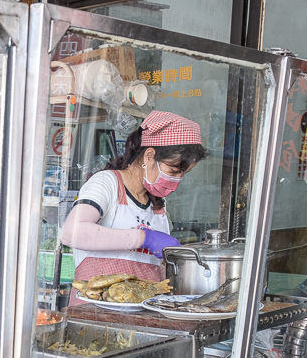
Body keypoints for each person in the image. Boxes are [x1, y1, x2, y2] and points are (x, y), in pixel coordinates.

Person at [60, 111, 207, 302]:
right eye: (173, 171)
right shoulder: (107, 183)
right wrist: (143, 238)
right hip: (96, 316)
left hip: (141, 317)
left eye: (183, 174)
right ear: (149, 156)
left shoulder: (158, 207)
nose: (176, 181)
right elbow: (72, 232)